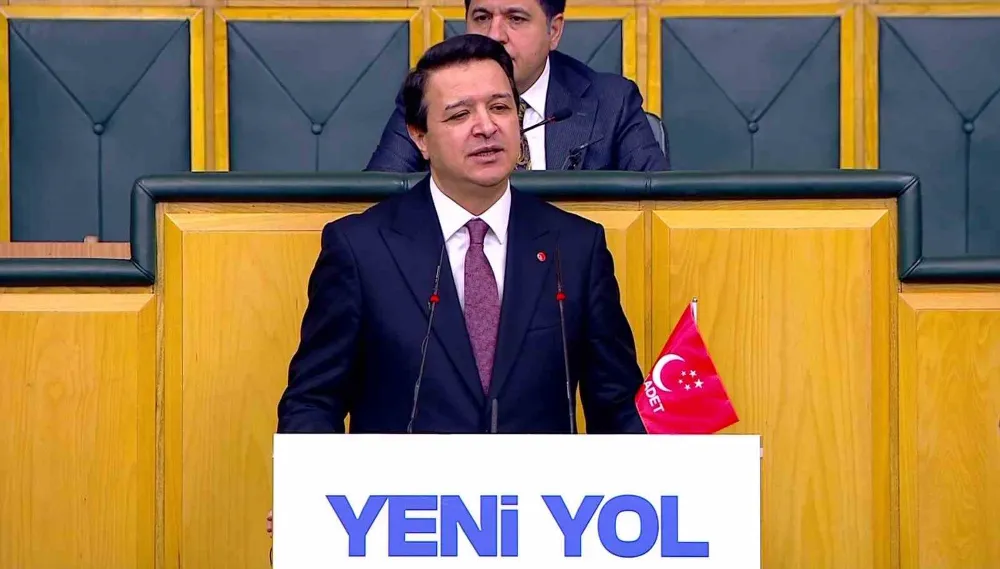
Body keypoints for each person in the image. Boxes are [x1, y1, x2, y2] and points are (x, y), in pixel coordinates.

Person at [276, 33, 646, 436]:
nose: (486, 127)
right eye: (459, 115)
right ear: (420, 137)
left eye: (500, 107)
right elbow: (313, 403)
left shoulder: (575, 248)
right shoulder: (361, 249)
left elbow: (619, 409)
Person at [363, 0, 670, 172]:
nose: (494, 35)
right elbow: (377, 200)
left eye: (516, 19)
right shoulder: (429, 96)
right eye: (482, 17)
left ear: (553, 31)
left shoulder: (612, 102)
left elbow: (658, 206)